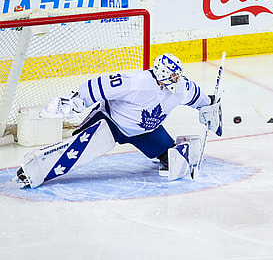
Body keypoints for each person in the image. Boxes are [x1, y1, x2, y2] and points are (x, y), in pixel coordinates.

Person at [12, 53, 222, 188]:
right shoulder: (137, 82)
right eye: (172, 76)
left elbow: (199, 97)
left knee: (170, 155)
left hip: (146, 130)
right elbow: (100, 85)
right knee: (76, 150)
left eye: (178, 76)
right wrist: (78, 100)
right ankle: (31, 171)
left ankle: (164, 152)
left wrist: (209, 106)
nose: (177, 80)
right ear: (160, 74)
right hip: (110, 123)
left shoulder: (182, 87)